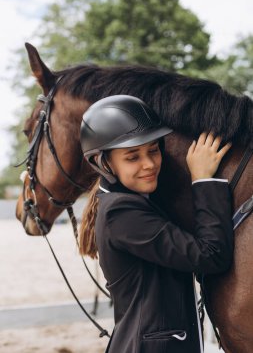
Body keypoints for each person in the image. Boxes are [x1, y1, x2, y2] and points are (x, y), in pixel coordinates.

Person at [79, 94, 233, 353]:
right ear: (102, 162)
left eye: (153, 150)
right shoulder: (122, 212)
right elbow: (210, 256)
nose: (149, 164)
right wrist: (203, 181)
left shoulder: (134, 201)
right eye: (132, 157)